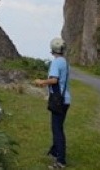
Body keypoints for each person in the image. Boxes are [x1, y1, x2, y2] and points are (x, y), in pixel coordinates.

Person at [34, 37, 71, 169]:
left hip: (58, 101)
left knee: (57, 130)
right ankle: (54, 151)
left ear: (53, 49)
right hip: (65, 99)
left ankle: (60, 161)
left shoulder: (56, 63)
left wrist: (41, 82)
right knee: (58, 127)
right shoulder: (65, 62)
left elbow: (54, 80)